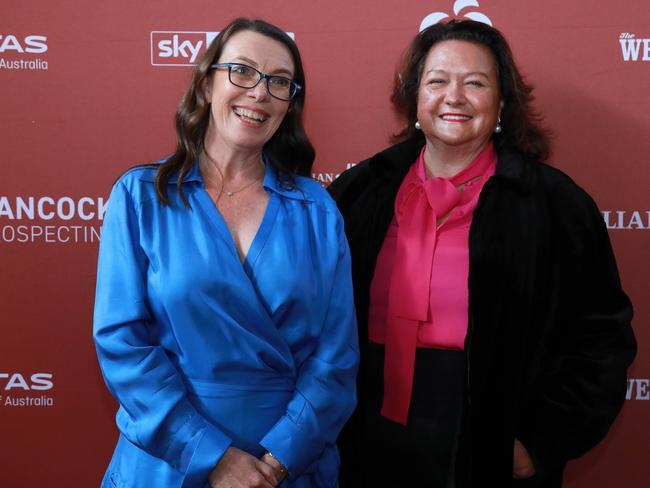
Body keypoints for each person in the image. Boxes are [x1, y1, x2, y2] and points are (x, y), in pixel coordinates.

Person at [328, 19, 636, 488]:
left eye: (475, 83)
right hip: (366, 439)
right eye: (437, 81)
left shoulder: (555, 205)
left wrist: (541, 441)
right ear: (415, 100)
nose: (454, 96)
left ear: (501, 105)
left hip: (487, 447)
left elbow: (601, 339)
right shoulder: (361, 192)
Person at [93, 18, 358, 488]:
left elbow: (335, 358)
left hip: (289, 465)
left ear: (289, 104)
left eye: (279, 81)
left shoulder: (317, 209)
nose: (259, 92)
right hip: (167, 461)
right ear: (206, 81)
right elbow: (122, 344)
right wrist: (211, 456)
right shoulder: (139, 196)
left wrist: (276, 462)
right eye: (242, 70)